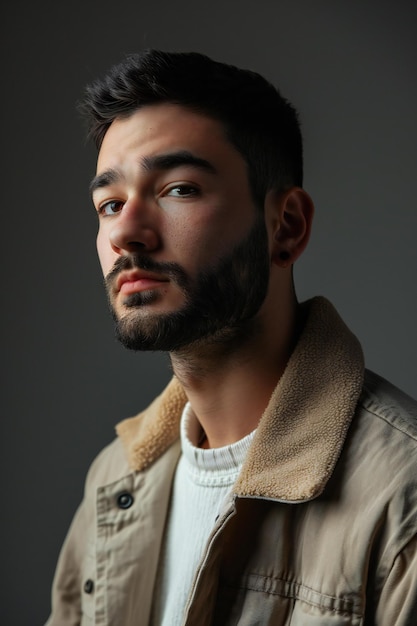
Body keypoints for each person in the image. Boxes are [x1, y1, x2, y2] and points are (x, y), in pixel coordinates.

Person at [46, 49, 417, 626]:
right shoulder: (115, 480)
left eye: (179, 189)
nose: (126, 230)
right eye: (110, 203)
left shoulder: (401, 495)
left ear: (286, 227)